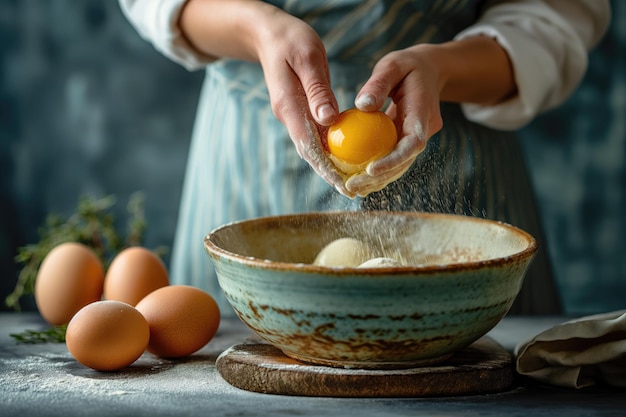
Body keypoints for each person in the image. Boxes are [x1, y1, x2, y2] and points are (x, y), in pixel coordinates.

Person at [119, 0, 610, 316]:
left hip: (454, 139)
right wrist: (256, 29)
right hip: (248, 148)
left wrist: (441, 68)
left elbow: (553, 16)